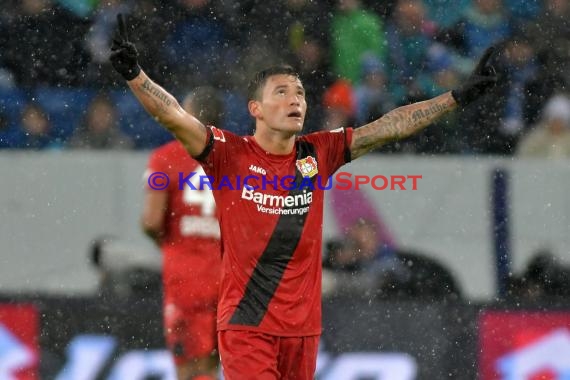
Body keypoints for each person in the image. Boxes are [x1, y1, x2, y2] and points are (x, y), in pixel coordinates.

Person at [110, 13, 498, 379]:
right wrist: (135, 74)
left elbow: (389, 127)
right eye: (282, 92)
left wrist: (455, 98)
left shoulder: (319, 153)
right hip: (247, 324)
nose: (295, 99)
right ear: (256, 109)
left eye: (299, 92)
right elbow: (173, 115)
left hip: (303, 329)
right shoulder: (229, 153)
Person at [141, 87, 224, 380]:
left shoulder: (165, 158)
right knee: (211, 366)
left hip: (185, 276)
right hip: (224, 278)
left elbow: (151, 221)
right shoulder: (235, 158)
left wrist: (166, 242)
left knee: (187, 368)